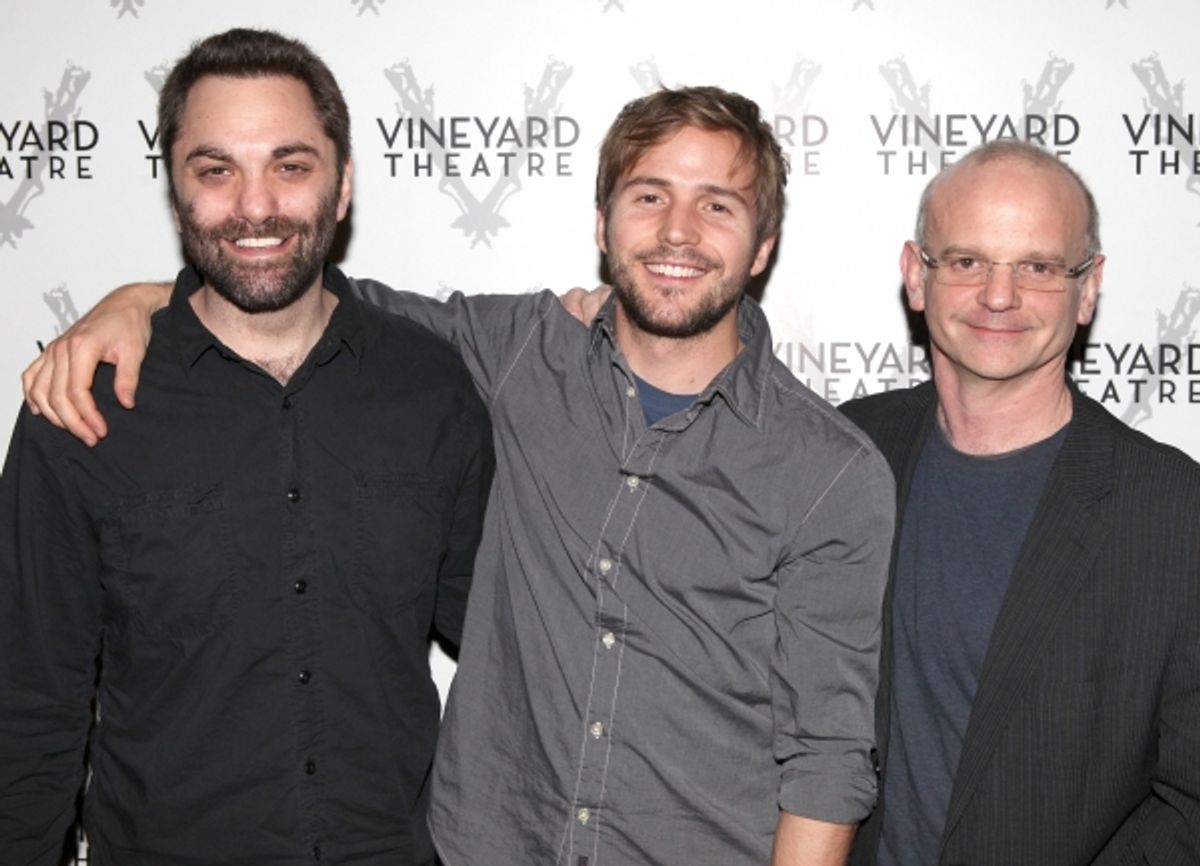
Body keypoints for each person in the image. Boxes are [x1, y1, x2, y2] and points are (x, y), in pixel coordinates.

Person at [19, 86, 896, 864]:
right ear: (602, 224)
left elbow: (828, 754)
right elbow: (279, 281)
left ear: (765, 244)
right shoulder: (511, 355)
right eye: (649, 196)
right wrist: (140, 299)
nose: (676, 232)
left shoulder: (828, 470)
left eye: (718, 206)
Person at [0, 29, 493, 866]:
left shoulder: (431, 387)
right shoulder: (83, 403)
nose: (255, 206)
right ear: (177, 191)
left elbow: (503, 645)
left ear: (342, 189)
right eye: (216, 169)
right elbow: (28, 704)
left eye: (291, 166)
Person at [838, 141, 1200, 864]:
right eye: (967, 261)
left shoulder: (1174, 513)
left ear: (1088, 287)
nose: (999, 296)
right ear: (917, 276)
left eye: (1038, 267)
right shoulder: (846, 454)